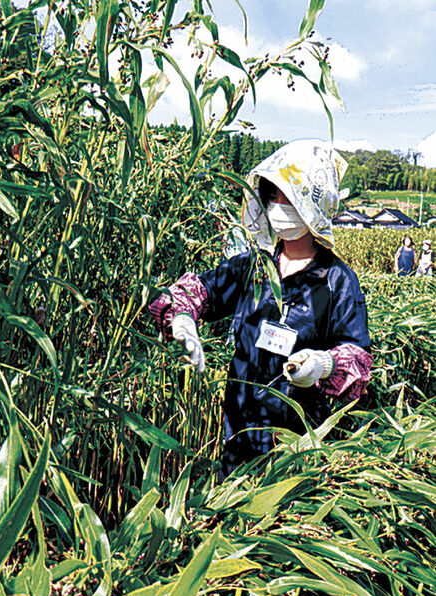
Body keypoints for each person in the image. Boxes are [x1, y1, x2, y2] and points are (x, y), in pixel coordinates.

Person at [148, 139, 372, 476]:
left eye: (289, 197)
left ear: (312, 203)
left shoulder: (337, 280)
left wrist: (323, 364)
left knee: (279, 516)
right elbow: (199, 290)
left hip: (296, 441)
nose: (278, 207)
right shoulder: (252, 268)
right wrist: (182, 317)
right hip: (239, 426)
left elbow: (358, 356)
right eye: (272, 196)